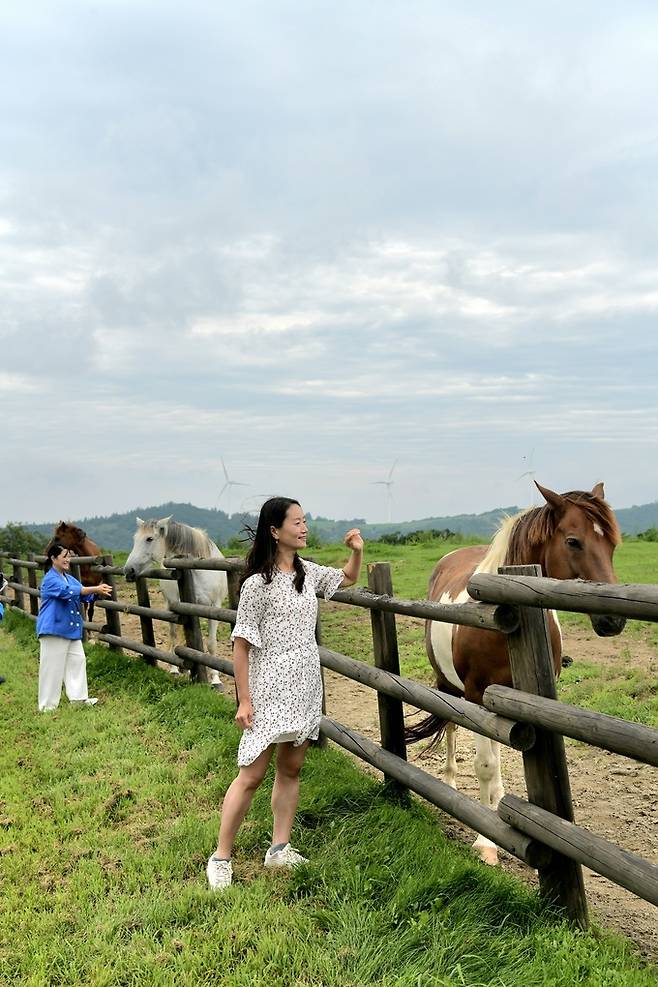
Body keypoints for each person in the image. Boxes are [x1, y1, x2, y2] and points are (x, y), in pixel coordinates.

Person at [206, 497, 363, 891]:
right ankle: (221, 856)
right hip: (267, 689)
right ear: (275, 531)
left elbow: (347, 579)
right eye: (297, 522)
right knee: (251, 774)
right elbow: (240, 644)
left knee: (291, 769)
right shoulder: (256, 585)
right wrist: (244, 699)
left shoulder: (307, 573)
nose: (304, 527)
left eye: (305, 520)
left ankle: (279, 848)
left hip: (305, 686)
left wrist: (356, 553)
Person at [36, 543, 112, 711]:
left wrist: (98, 592)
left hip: (69, 630)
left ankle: (78, 698)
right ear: (53, 559)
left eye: (69, 556)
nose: (68, 559)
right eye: (64, 556)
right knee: (52, 668)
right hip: (54, 629)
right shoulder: (50, 579)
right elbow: (69, 591)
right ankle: (47, 706)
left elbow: (83, 593)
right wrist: (94, 588)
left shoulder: (69, 577)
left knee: (77, 661)